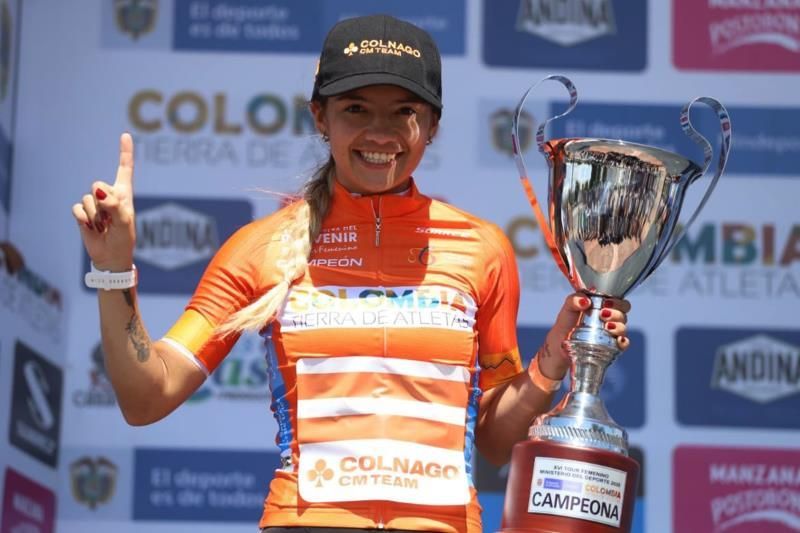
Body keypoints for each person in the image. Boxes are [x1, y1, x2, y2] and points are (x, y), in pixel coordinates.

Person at [72, 14, 630, 533]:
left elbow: (493, 440)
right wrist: (114, 269)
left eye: (404, 112)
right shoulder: (264, 247)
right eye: (356, 109)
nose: (380, 133)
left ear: (432, 124)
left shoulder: (482, 249)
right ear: (321, 117)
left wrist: (553, 360)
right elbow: (148, 397)